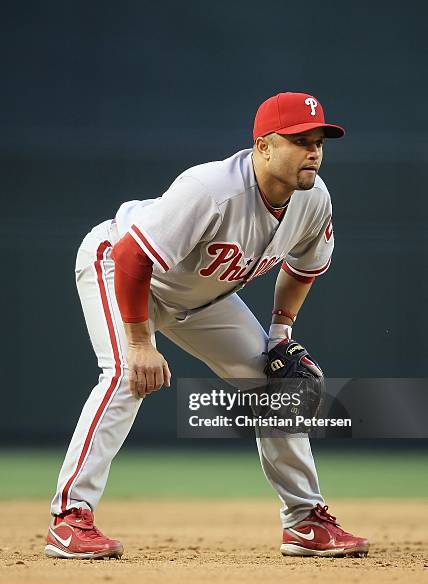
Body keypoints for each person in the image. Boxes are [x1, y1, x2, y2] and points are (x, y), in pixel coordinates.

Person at [45, 92, 369, 559]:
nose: (314, 150)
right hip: (118, 265)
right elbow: (132, 257)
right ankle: (70, 518)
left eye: (319, 140)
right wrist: (139, 342)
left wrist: (281, 336)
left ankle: (304, 521)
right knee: (125, 376)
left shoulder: (313, 199)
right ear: (263, 147)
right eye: (300, 140)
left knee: (276, 383)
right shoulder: (213, 189)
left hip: (197, 295)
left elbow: (303, 269)